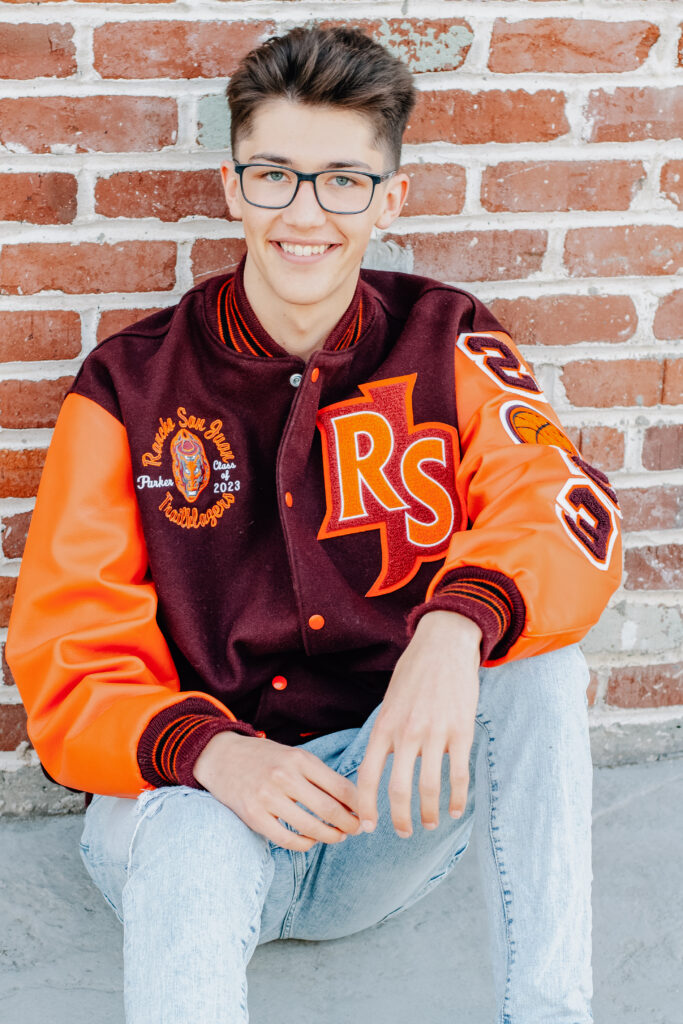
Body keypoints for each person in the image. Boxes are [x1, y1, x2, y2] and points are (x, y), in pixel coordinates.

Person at [6, 25, 622, 1024]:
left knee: (542, 667)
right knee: (196, 832)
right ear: (230, 186)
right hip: (186, 817)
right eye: (275, 175)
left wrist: (455, 622)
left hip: (373, 810)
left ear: (389, 197)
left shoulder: (447, 335)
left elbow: (560, 505)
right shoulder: (128, 384)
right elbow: (68, 653)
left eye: (342, 179)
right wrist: (212, 751)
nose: (305, 211)